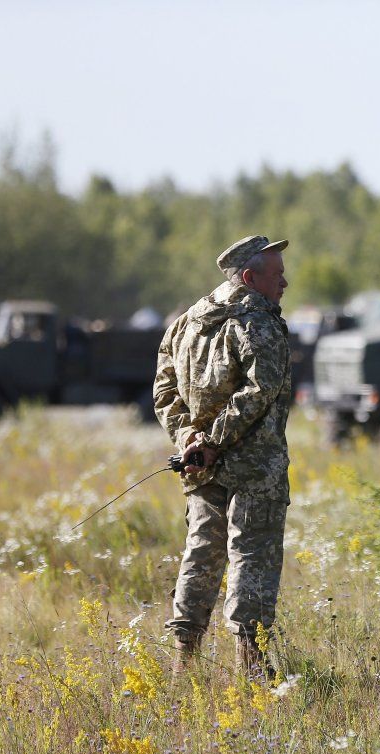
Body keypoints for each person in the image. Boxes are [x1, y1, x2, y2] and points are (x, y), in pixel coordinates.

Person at [153, 234, 293, 678]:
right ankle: (252, 670)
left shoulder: (185, 323)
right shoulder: (258, 322)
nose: (285, 282)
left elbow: (163, 390)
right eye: (277, 275)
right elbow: (262, 389)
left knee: (200, 555)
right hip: (255, 470)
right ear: (250, 278)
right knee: (252, 556)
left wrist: (189, 439)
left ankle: (183, 664)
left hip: (201, 467)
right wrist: (211, 441)